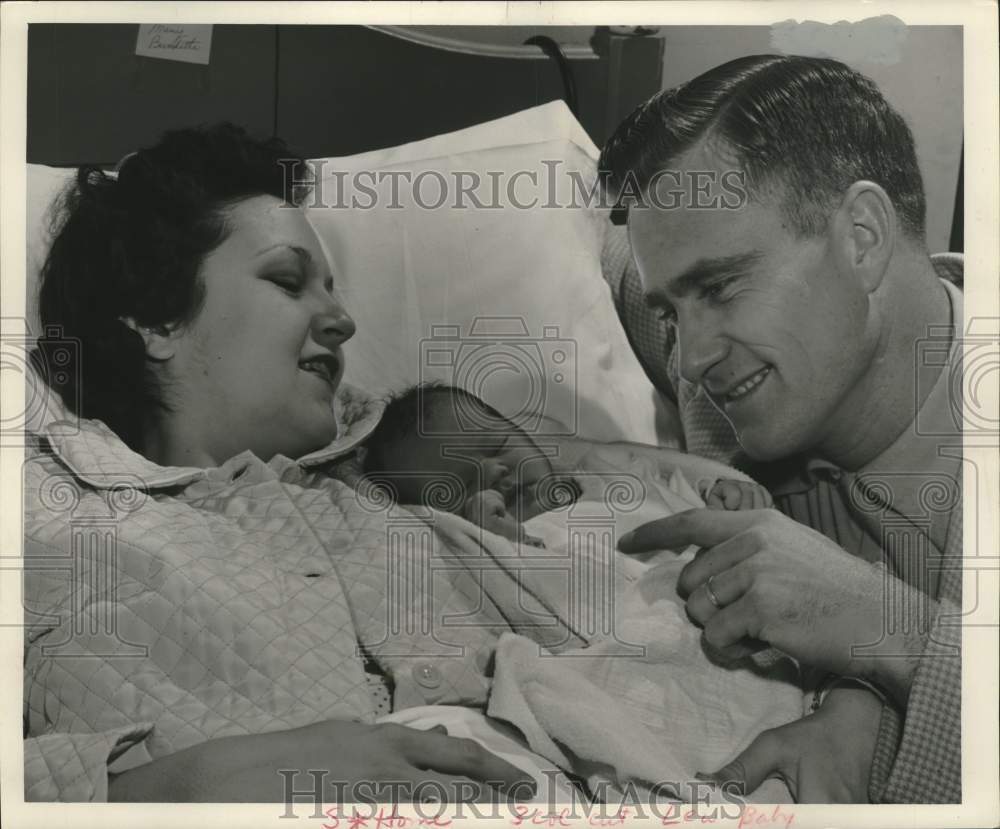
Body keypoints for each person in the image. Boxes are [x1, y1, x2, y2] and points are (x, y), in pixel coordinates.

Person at [23, 123, 538, 803]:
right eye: (289, 281)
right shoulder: (42, 515)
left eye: (332, 289)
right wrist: (194, 784)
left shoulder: (395, 485)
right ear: (157, 318)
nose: (342, 320)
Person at [598, 54, 962, 803]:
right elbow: (610, 256)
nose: (691, 360)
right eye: (671, 310)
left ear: (862, 237)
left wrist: (886, 629)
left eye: (720, 286)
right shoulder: (712, 329)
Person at [360, 382, 773, 547]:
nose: (496, 473)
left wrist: (724, 500)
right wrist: (506, 545)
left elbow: (681, 502)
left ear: (524, 433)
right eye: (464, 485)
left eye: (498, 445)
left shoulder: (611, 471)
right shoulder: (510, 544)